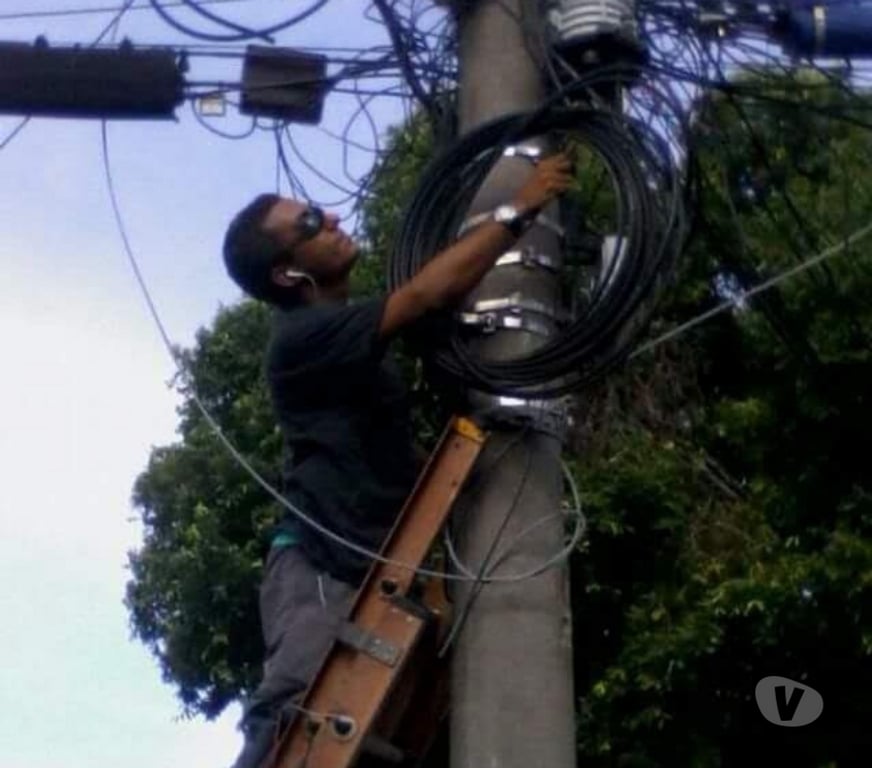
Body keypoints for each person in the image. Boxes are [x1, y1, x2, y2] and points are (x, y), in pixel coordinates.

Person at [220, 152, 574, 768]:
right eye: (308, 223)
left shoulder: (352, 338)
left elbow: (385, 450)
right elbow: (424, 294)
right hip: (318, 566)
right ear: (287, 275)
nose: (329, 217)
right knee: (295, 713)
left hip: (367, 559)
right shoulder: (301, 339)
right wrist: (521, 208)